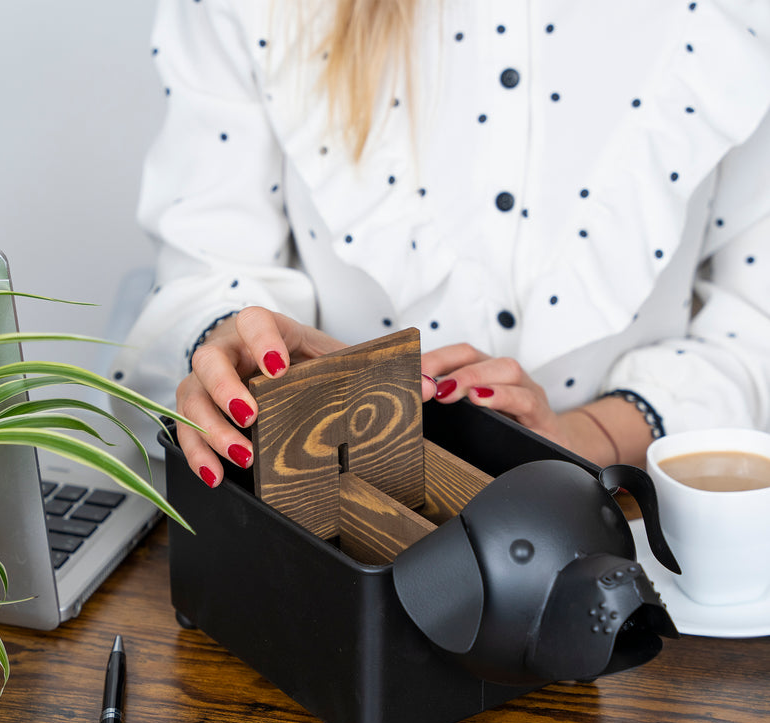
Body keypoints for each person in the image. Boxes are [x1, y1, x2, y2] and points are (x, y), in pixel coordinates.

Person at [111, 0, 770, 488]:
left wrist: (589, 436)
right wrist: (234, 350)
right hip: (330, 531)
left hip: (637, 524)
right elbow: (209, 261)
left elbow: (755, 317)